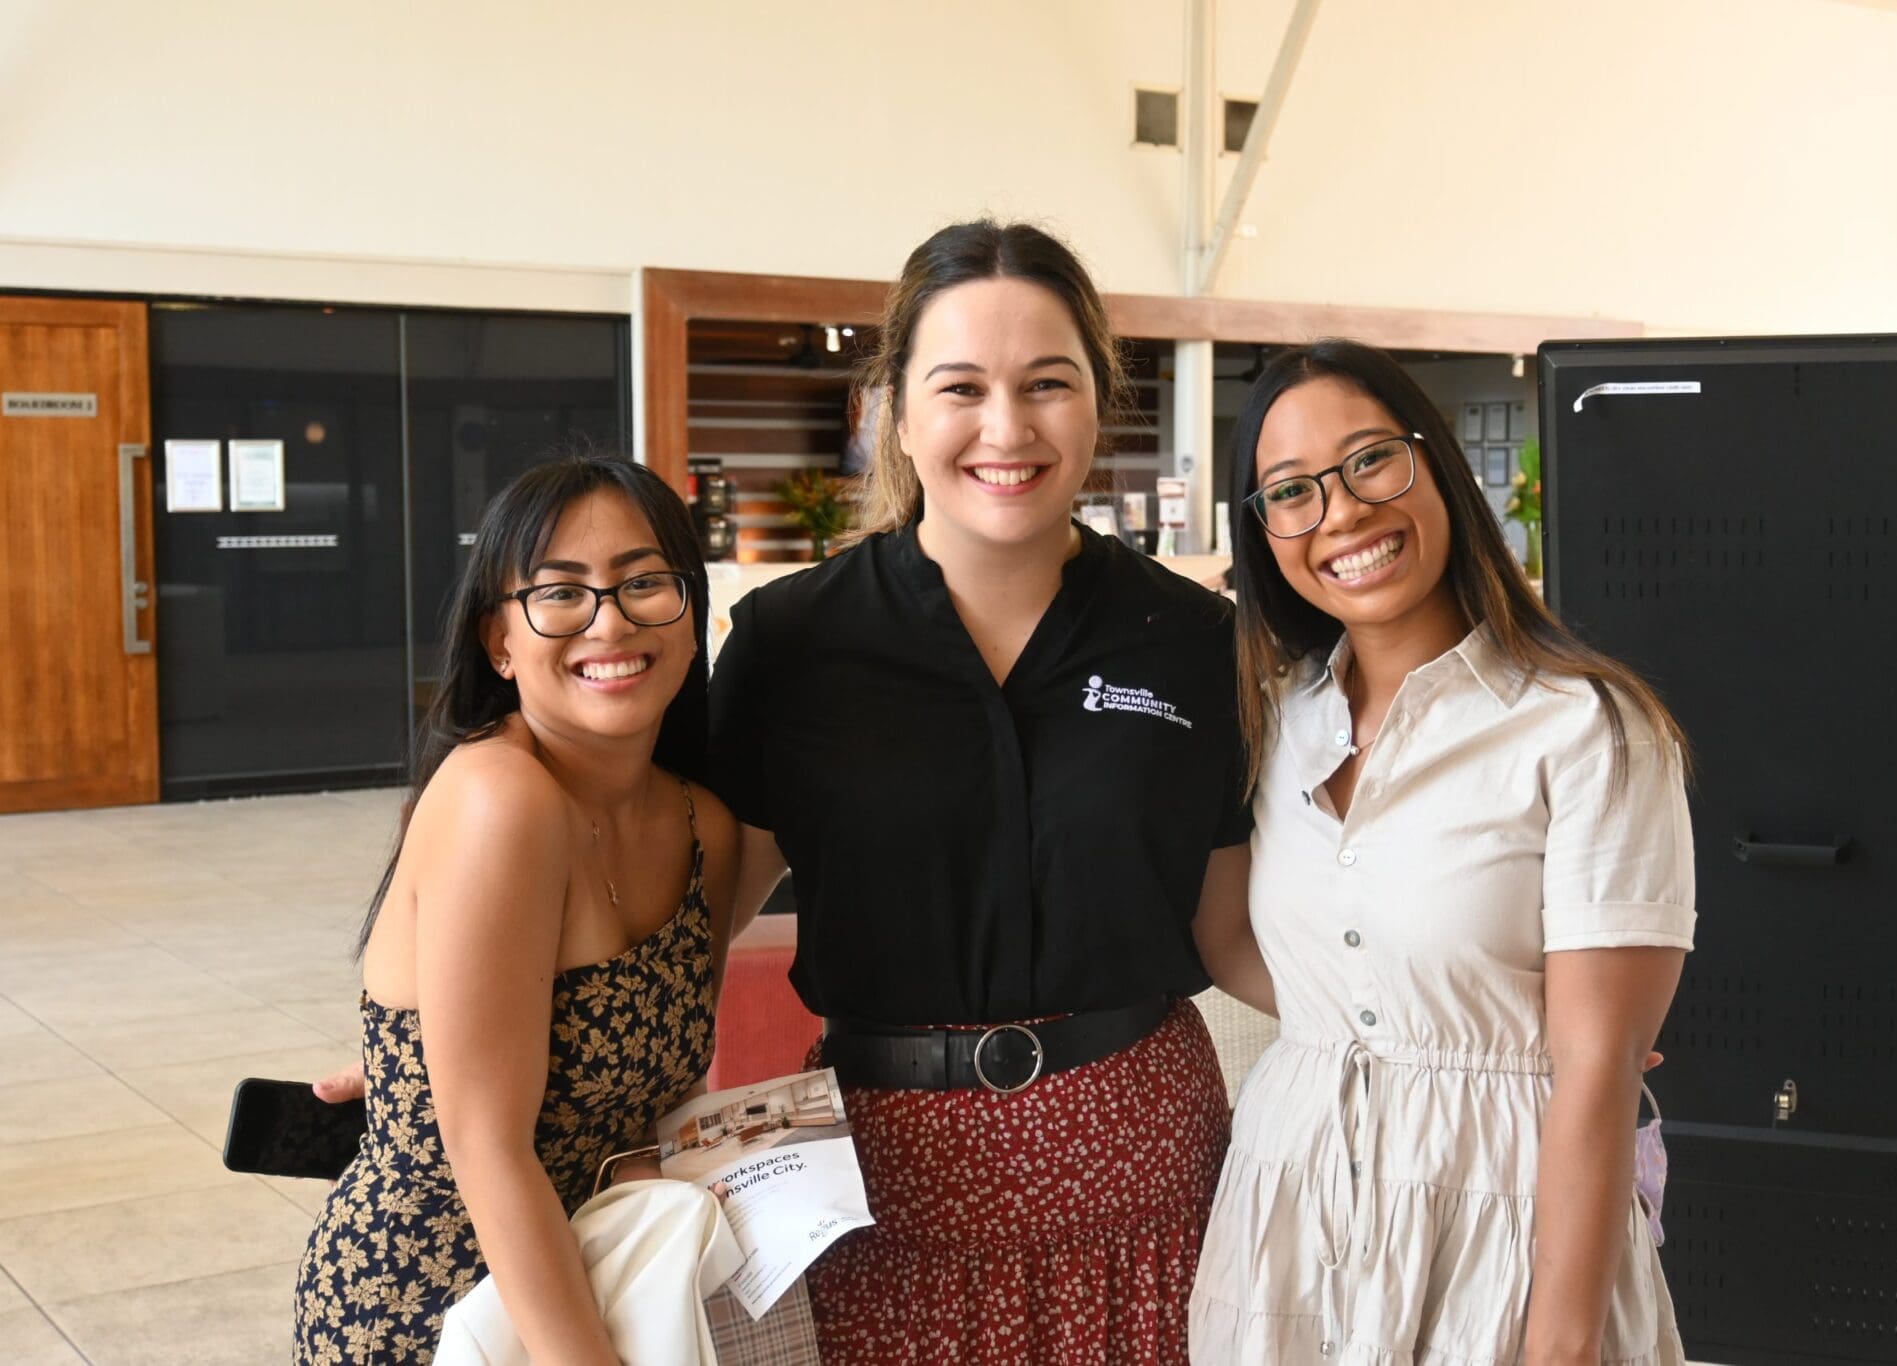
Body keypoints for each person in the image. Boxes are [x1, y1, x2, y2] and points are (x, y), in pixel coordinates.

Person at [707, 218, 1259, 1364]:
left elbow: (1240, 930)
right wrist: (470, 1049)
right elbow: (688, 923)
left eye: (1046, 383)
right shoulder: (791, 643)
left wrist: (1484, 1023)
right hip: (883, 1194)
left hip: (1143, 1181)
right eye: (960, 386)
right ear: (897, 412)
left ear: (1098, 402)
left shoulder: (1190, 640)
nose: (1005, 428)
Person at [1187, 341, 1693, 1364]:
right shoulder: (1273, 721)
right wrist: (1403, 1018)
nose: (1340, 512)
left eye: (1370, 459)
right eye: (1290, 491)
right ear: (1263, 531)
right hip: (1287, 1212)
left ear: (1437, 465)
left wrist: (1559, 1346)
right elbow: (1230, 939)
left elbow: (1596, 1068)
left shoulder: (1588, 728)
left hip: (1504, 1214)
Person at [294, 456, 737, 1364]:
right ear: (500, 641)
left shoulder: (705, 827)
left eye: (644, 582)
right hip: (430, 1305)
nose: (609, 621)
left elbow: (657, 1098)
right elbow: (486, 1146)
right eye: (560, 593)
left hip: (603, 1279)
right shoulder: (499, 798)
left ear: (691, 614)